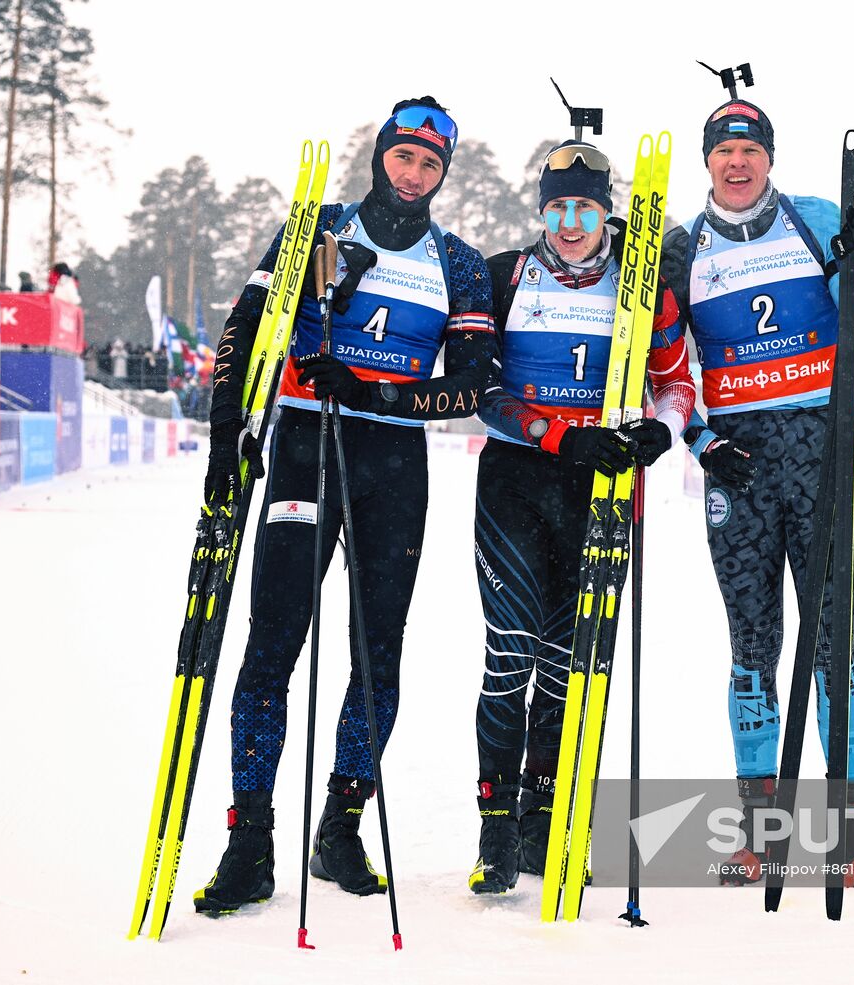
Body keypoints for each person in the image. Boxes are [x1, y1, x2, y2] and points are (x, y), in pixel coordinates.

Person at [195, 96, 498, 914]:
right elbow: (244, 328)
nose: (413, 174)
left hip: (392, 465)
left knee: (377, 653)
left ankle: (340, 826)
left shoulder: (459, 263)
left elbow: (469, 385)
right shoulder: (318, 227)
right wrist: (229, 441)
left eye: (430, 165)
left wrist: (376, 389)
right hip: (302, 448)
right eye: (403, 157)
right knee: (273, 646)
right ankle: (249, 840)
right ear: (381, 156)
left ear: (442, 175)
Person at [661, 95, 854, 889]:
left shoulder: (816, 218)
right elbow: (664, 373)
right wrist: (700, 442)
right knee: (752, 650)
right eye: (724, 151)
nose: (738, 163)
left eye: (751, 150)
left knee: (836, 645)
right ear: (708, 161)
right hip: (739, 469)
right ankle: (761, 834)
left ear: (769, 156)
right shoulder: (681, 247)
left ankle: (851, 832)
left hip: (821, 457)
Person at [467, 140, 696, 894]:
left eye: (586, 208)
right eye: (557, 208)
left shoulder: (642, 289)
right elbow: (487, 393)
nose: (570, 223)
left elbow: (673, 382)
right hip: (518, 480)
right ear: (541, 210)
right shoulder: (505, 277)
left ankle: (543, 820)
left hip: (599, 489)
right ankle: (495, 826)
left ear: (606, 211)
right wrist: (563, 435)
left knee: (573, 669)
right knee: (511, 653)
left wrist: (660, 430)